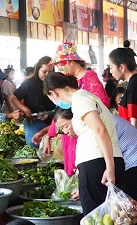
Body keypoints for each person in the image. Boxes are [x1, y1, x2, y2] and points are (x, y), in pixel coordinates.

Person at [45, 72, 136, 225]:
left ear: (53, 92)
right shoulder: (87, 98)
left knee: (95, 220)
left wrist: (109, 168)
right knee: (111, 216)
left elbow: (100, 131)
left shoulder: (80, 99)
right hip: (104, 160)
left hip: (97, 162)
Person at [42, 50, 111, 181]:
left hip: (89, 137)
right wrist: (50, 134)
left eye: (61, 65)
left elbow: (102, 107)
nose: (60, 69)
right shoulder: (73, 82)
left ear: (71, 62)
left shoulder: (88, 77)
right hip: (74, 132)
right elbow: (62, 112)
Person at [109, 47, 137, 148]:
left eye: (111, 67)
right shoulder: (134, 83)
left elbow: (135, 123)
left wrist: (132, 149)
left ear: (121, 67)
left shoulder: (134, 86)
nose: (110, 71)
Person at [12, 56, 56, 145]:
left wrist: (50, 113)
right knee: (35, 143)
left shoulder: (54, 82)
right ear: (38, 70)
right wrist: (26, 110)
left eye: (50, 72)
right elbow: (13, 98)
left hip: (52, 120)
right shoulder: (29, 83)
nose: (47, 74)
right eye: (44, 72)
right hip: (34, 120)